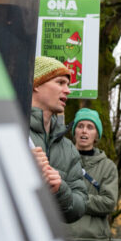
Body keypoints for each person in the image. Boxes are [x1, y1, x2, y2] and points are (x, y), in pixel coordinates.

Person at [66, 108, 117, 241]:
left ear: (97, 134)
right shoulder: (60, 159)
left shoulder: (108, 167)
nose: (84, 131)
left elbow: (108, 203)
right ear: (74, 131)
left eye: (90, 127)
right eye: (80, 126)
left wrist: (73, 200)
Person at [30, 56, 87, 223]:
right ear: (36, 84)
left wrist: (60, 190)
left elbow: (80, 205)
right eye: (60, 82)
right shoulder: (11, 131)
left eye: (68, 85)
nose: (68, 90)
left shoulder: (68, 148)